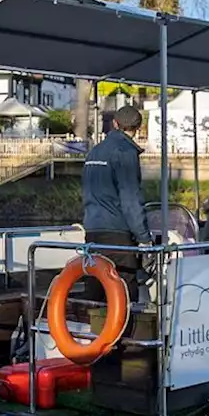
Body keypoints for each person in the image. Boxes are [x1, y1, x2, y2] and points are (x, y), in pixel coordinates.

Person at [81, 105, 150, 298]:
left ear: (114, 124)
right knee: (124, 291)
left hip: (92, 230)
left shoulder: (95, 152)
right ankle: (126, 329)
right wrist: (144, 237)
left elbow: (86, 190)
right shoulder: (125, 152)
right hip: (117, 233)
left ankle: (95, 326)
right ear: (138, 127)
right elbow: (130, 198)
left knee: (96, 288)